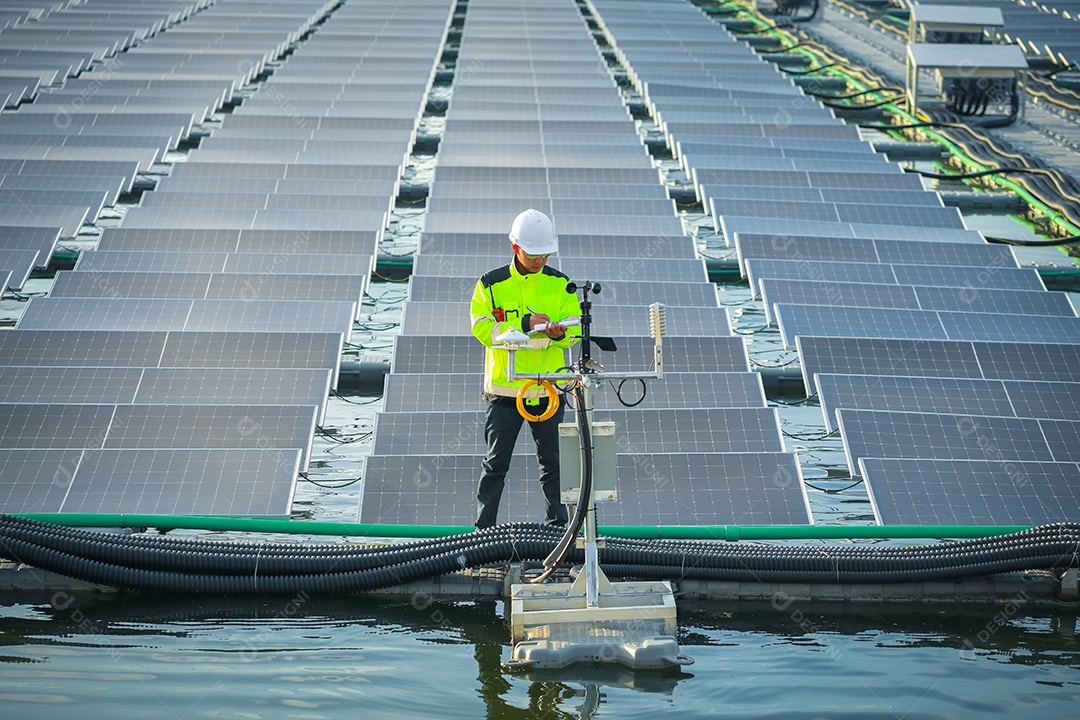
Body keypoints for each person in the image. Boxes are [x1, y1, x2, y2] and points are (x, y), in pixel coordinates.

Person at [470, 208, 582, 529]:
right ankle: (483, 532)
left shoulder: (562, 285)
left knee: (555, 464)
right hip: (505, 391)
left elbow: (575, 328)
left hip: (548, 388)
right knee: (495, 464)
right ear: (515, 248)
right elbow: (482, 328)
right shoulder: (490, 284)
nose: (540, 260)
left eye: (544, 253)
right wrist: (522, 323)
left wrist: (561, 334)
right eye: (533, 254)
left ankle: (557, 529)